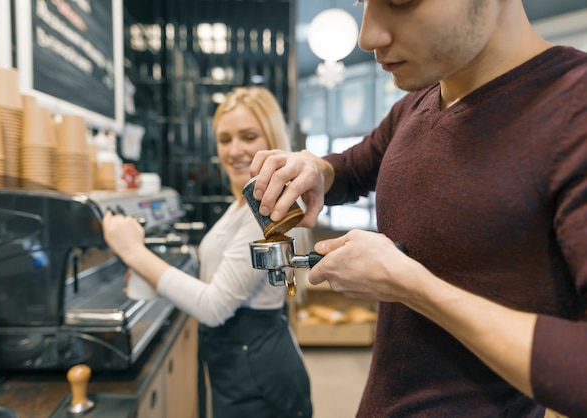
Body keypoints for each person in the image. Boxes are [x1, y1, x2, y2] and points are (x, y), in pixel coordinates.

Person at [249, 1, 587, 417]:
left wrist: (410, 285)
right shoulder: (419, 103)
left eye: (401, 1)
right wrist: (315, 167)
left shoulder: (574, 110)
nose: (367, 36)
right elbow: (354, 168)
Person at [102, 86, 313, 418]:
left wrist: (134, 252)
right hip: (243, 362)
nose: (235, 150)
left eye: (248, 136)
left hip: (258, 374)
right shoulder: (243, 205)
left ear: (272, 138)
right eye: (225, 139)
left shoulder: (270, 212)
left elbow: (214, 307)